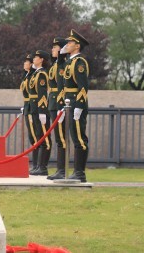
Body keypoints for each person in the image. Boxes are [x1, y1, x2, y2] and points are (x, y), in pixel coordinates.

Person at [63, 29, 90, 182]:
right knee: (74, 136)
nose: (67, 44)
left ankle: (80, 172)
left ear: (77, 46)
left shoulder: (79, 63)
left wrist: (79, 105)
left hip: (76, 102)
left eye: (70, 42)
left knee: (79, 137)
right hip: (69, 102)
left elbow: (83, 86)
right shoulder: (70, 62)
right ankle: (76, 171)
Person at [47, 37, 69, 180]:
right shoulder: (55, 65)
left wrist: (61, 105)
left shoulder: (62, 65)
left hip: (58, 102)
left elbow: (62, 86)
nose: (52, 50)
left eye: (55, 47)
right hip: (52, 102)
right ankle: (59, 169)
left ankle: (62, 170)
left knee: (61, 137)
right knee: (57, 138)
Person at [29, 50, 51, 176]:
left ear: (41, 59)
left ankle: (43, 167)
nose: (34, 59)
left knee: (44, 139)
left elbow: (42, 94)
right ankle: (38, 166)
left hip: (40, 109)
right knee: (38, 138)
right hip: (34, 109)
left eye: (36, 57)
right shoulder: (36, 73)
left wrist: (42, 111)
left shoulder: (42, 74)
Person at [19, 53, 37, 172]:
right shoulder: (26, 76)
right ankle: (35, 165)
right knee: (32, 137)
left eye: (27, 61)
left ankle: (37, 165)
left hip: (32, 107)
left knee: (35, 137)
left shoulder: (32, 76)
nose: (25, 63)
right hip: (27, 105)